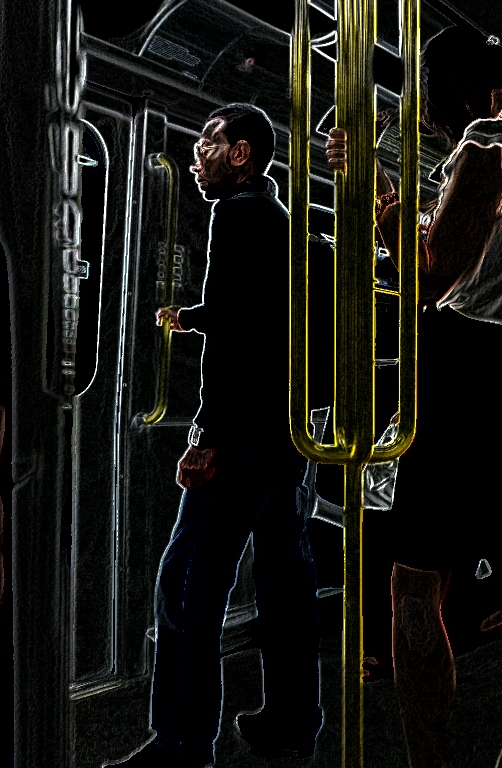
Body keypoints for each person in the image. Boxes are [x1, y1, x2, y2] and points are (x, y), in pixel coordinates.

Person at [326, 27, 502, 768]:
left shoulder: (493, 139)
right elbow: (493, 251)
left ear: (461, 89)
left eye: (433, 103)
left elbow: (429, 274)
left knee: (414, 583)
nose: (431, 122)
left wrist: (378, 193)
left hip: (469, 371)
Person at [112, 104, 322, 768]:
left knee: (185, 581)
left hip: (244, 431)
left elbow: (240, 343)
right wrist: (197, 315)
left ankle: (181, 741)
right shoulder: (278, 219)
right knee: (285, 580)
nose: (196, 155)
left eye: (208, 143)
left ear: (241, 155)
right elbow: (256, 311)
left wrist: (207, 433)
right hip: (285, 431)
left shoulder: (236, 215)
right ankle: (294, 718)